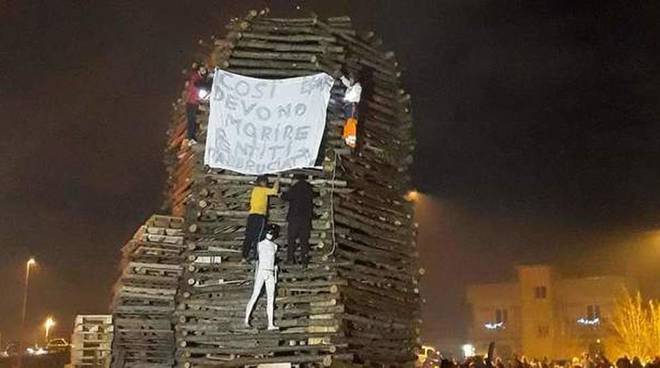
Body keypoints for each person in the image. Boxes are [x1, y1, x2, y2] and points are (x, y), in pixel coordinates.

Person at [244, 223, 280, 330]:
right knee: (255, 295)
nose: (270, 235)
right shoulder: (260, 244)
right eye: (268, 232)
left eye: (272, 233)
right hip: (261, 271)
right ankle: (246, 319)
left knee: (271, 298)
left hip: (270, 272)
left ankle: (270, 324)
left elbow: (273, 260)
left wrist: (275, 270)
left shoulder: (275, 246)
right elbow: (256, 259)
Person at [242, 175, 279, 261]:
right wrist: (278, 179)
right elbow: (274, 191)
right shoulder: (262, 190)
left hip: (252, 215)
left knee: (248, 236)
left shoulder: (255, 190)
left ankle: (244, 256)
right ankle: (256, 257)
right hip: (260, 216)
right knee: (258, 236)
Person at [280, 174, 314, 265]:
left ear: (295, 180)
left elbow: (286, 197)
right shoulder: (309, 188)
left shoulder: (295, 188)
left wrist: (281, 194)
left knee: (291, 239)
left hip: (295, 218)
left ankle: (290, 259)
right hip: (306, 218)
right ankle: (304, 261)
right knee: (304, 240)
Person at [184, 62, 209, 146]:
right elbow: (197, 85)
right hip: (191, 102)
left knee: (193, 120)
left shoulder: (201, 78)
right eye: (202, 69)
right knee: (191, 120)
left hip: (194, 102)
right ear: (199, 70)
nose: (203, 71)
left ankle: (192, 137)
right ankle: (191, 138)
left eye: (204, 70)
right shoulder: (196, 77)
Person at [340, 71, 362, 148]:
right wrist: (342, 77)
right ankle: (347, 135)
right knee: (347, 121)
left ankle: (352, 138)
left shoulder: (357, 87)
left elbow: (352, 96)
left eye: (352, 79)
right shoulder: (352, 86)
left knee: (351, 121)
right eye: (350, 79)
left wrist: (345, 98)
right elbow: (347, 84)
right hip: (348, 105)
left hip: (352, 104)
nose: (351, 81)